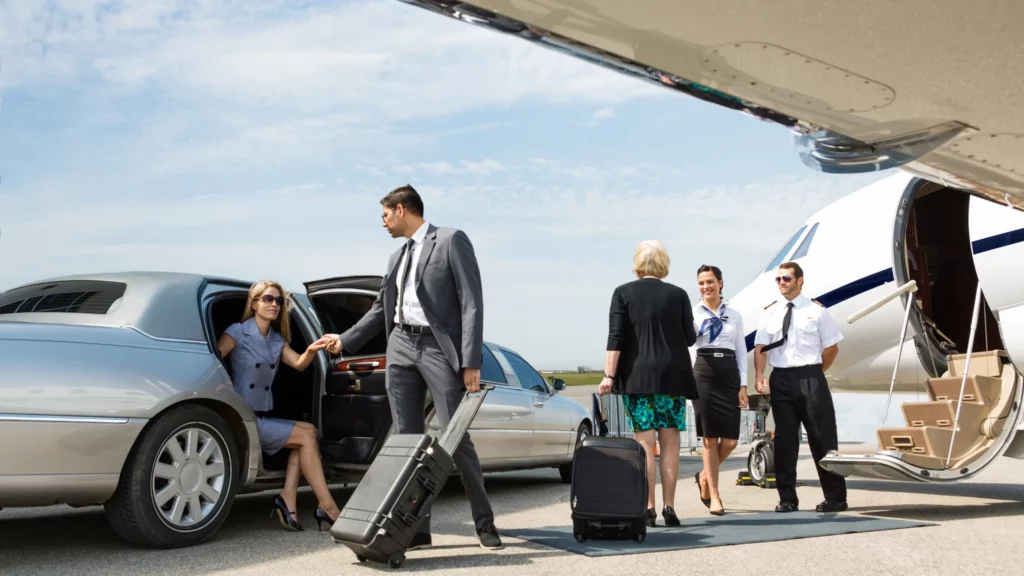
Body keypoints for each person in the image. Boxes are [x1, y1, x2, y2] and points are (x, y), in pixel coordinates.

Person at [322, 185, 502, 550]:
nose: (383, 223)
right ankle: (416, 528)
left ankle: (485, 525)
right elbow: (379, 310)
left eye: (385, 215)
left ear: (401, 209)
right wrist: (344, 340)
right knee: (406, 442)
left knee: (456, 437)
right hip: (401, 346)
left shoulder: (451, 240)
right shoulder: (395, 257)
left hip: (438, 348)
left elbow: (471, 302)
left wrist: (470, 361)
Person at [217, 280, 342, 532]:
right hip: (242, 419)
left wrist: (311, 348)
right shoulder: (237, 332)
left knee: (308, 434)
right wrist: (221, 389)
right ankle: (328, 507)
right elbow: (214, 359)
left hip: (259, 416)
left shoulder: (275, 340)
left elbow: (298, 364)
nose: (274, 304)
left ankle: (288, 498)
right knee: (306, 435)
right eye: (268, 299)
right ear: (254, 303)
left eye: (278, 300)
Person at [598, 240, 697, 527]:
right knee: (670, 443)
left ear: (638, 263)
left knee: (644, 445)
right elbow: (690, 338)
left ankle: (648, 507)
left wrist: (608, 375)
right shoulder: (678, 295)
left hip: (637, 378)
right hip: (672, 378)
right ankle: (670, 508)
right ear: (664, 264)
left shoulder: (622, 293)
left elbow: (615, 338)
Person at [753, 261, 848, 513]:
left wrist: (815, 373)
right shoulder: (770, 312)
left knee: (822, 437)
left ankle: (835, 497)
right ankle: (787, 499)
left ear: (799, 280)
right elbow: (761, 348)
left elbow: (832, 348)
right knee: (785, 440)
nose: (782, 283)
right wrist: (760, 374)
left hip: (810, 376)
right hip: (781, 378)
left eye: (786, 278)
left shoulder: (817, 311)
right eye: (778, 279)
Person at [691, 264, 749, 516]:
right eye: (702, 283)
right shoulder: (693, 313)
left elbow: (740, 352)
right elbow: (689, 345)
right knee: (709, 438)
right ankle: (714, 495)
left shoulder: (735, 315)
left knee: (731, 441)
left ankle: (704, 476)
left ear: (720, 283)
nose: (706, 287)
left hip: (728, 373)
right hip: (703, 371)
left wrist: (743, 385)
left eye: (710, 282)